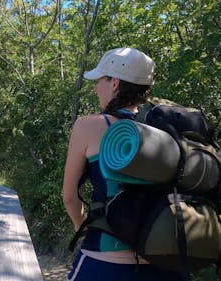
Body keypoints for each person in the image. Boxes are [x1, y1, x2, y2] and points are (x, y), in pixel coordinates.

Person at [62, 47, 182, 280]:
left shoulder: (89, 125)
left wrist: (81, 226)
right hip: (170, 263)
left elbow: (69, 196)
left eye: (100, 80)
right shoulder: (165, 128)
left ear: (114, 83)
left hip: (109, 262)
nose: (96, 87)